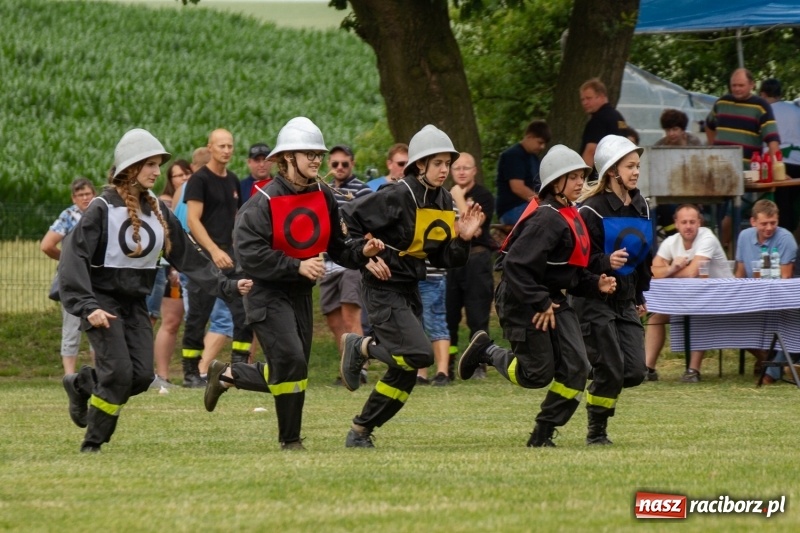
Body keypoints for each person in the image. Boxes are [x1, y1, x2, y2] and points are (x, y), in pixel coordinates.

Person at [60, 128, 251, 453]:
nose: (155, 171)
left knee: (141, 378)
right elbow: (72, 257)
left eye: (157, 164)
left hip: (135, 305)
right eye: (148, 164)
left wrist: (228, 286)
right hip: (101, 304)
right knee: (119, 374)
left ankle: (80, 384)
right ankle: (92, 444)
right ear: (128, 168)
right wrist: (86, 305)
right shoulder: (102, 208)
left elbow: (191, 260)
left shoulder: (159, 214)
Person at [202, 117, 383, 451]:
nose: (316, 159)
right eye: (308, 153)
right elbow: (249, 253)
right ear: (287, 158)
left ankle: (228, 374)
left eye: (318, 153)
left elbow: (340, 247)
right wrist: (296, 265)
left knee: (294, 368)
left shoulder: (323, 196)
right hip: (265, 293)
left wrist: (363, 252)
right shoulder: (263, 202)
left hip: (300, 294)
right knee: (292, 361)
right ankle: (291, 442)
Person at [457, 144, 617, 448]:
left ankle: (542, 435)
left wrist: (596, 284)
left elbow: (568, 272)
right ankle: (487, 352)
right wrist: (541, 302)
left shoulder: (569, 214)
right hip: (522, 299)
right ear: (555, 183)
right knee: (536, 375)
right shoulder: (547, 219)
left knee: (577, 368)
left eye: (581, 176)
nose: (579, 182)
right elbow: (515, 267)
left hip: (550, 298)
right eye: (572, 177)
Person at [337, 124, 484, 448]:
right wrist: (363, 255)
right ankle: (360, 347)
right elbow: (344, 219)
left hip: (410, 289)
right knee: (420, 354)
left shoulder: (445, 201)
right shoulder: (397, 195)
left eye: (448, 163)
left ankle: (360, 431)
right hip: (382, 288)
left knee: (405, 374)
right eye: (438, 164)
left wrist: (463, 238)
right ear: (420, 165)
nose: (445, 170)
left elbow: (446, 259)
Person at [573, 135, 651, 445]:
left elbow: (642, 255)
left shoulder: (641, 205)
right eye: (630, 166)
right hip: (593, 299)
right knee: (611, 368)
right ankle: (597, 433)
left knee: (633, 371)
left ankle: (577, 367)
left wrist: (640, 294)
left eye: (638, 166)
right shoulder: (589, 211)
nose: (635, 172)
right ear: (611, 171)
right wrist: (605, 261)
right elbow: (577, 262)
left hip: (625, 299)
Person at [180, 128, 254, 387]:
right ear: (209, 148)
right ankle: (190, 373)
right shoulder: (199, 180)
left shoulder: (233, 180)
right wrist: (213, 251)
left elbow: (236, 219)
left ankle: (240, 370)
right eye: (221, 146)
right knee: (198, 317)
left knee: (245, 312)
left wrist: (236, 250)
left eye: (230, 146)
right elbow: (192, 220)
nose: (226, 150)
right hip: (204, 257)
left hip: (231, 256)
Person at [644, 204, 732, 383]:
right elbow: (651, 272)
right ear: (676, 223)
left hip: (723, 298)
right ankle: (648, 369)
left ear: (700, 222)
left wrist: (667, 271)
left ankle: (693, 371)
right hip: (689, 299)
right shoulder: (671, 241)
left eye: (692, 221)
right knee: (656, 317)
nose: (688, 226)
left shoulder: (707, 237)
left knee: (697, 313)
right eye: (684, 222)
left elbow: (693, 272)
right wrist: (672, 267)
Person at [706, 68, 781, 246]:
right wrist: (713, 146)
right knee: (715, 213)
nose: (737, 89)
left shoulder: (761, 105)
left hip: (748, 171)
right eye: (734, 85)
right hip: (719, 170)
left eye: (741, 85)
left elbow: (772, 139)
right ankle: (719, 248)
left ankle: (719, 248)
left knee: (734, 212)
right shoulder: (721, 102)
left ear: (752, 85)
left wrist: (777, 166)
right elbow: (709, 125)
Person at [321, 144, 372, 385]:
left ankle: (360, 369)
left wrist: (365, 254)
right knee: (333, 319)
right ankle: (347, 368)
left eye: (344, 163)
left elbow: (373, 226)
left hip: (351, 262)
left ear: (352, 163)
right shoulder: (323, 190)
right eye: (335, 164)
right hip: (327, 262)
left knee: (351, 315)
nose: (339, 168)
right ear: (328, 166)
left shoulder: (362, 191)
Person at [445, 152, 495, 380]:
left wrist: (458, 197)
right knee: (449, 316)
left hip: (477, 260)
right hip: (452, 261)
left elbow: (473, 230)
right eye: (457, 168)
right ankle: (449, 363)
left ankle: (479, 365)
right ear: (451, 171)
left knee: (477, 316)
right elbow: (450, 231)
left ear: (474, 171)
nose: (462, 172)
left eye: (467, 167)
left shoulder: (484, 197)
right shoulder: (443, 197)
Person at [40, 177, 97, 375]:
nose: (85, 198)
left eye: (88, 194)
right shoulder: (68, 216)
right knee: (72, 327)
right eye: (80, 195)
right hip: (74, 279)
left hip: (96, 279)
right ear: (74, 198)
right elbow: (47, 245)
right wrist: (69, 261)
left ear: (94, 194)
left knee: (97, 325)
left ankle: (99, 372)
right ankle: (70, 376)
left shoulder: (100, 213)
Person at [150, 159, 193, 388]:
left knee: (178, 322)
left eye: (187, 174)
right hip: (169, 270)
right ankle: (162, 375)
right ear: (170, 179)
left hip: (182, 267)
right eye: (178, 176)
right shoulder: (162, 203)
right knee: (170, 320)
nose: (184, 179)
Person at [759, 78, 800, 230]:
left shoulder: (765, 111)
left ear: (762, 94)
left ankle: (784, 239)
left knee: (781, 205)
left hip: (777, 163)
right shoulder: (795, 109)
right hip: (798, 162)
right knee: (793, 204)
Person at [495, 120, 550, 225]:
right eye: (540, 142)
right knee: (547, 219)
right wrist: (541, 202)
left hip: (528, 205)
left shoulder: (534, 158)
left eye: (544, 144)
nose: (542, 147)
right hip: (512, 208)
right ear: (529, 137)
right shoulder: (513, 155)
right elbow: (517, 187)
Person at [579, 78, 628, 170]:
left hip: (600, 177)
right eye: (582, 99)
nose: (585, 103)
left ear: (601, 96)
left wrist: (582, 178)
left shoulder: (597, 120)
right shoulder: (620, 118)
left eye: (589, 98)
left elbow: (591, 151)